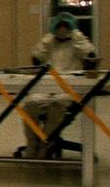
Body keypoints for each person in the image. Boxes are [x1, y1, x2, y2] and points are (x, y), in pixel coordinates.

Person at [19, 12, 97, 159]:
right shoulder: (49, 41)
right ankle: (32, 144)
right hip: (47, 84)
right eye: (59, 25)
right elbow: (36, 58)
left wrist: (75, 37)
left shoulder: (78, 40)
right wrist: (47, 41)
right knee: (30, 105)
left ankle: (45, 144)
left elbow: (91, 56)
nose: (62, 29)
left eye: (65, 25)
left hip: (69, 86)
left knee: (56, 105)